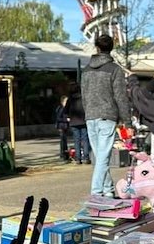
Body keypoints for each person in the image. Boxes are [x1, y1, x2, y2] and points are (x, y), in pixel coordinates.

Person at [81, 34, 131, 197]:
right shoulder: (114, 69)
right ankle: (96, 192)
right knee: (102, 158)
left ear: (97, 47)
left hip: (90, 116)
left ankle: (108, 190)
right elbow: (121, 96)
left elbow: (84, 95)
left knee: (100, 157)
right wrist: (127, 122)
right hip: (107, 116)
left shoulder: (86, 70)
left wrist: (88, 111)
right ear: (112, 47)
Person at [66, 85, 90, 164]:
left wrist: (68, 116)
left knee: (77, 140)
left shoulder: (70, 99)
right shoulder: (84, 98)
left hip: (73, 121)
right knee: (85, 139)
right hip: (83, 120)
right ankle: (86, 157)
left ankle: (78, 158)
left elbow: (65, 109)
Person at [54, 95, 69, 161]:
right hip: (62, 126)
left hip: (63, 126)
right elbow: (58, 118)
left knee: (64, 141)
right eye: (66, 101)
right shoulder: (61, 108)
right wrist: (66, 119)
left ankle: (64, 154)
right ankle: (63, 155)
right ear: (63, 101)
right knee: (63, 141)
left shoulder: (63, 108)